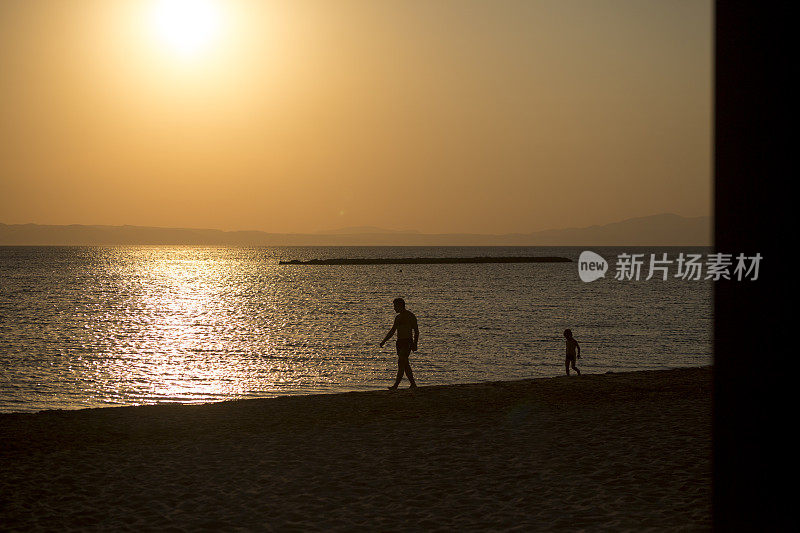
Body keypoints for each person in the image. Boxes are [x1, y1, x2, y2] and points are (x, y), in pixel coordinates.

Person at [380, 298, 419, 390]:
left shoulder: (410, 316)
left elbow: (416, 331)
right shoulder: (397, 318)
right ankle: (413, 384)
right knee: (405, 364)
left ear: (400, 305)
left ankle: (396, 385)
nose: (394, 308)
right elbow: (393, 331)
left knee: (401, 362)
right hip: (399, 342)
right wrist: (384, 341)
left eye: (395, 306)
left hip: (407, 341)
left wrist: (415, 343)